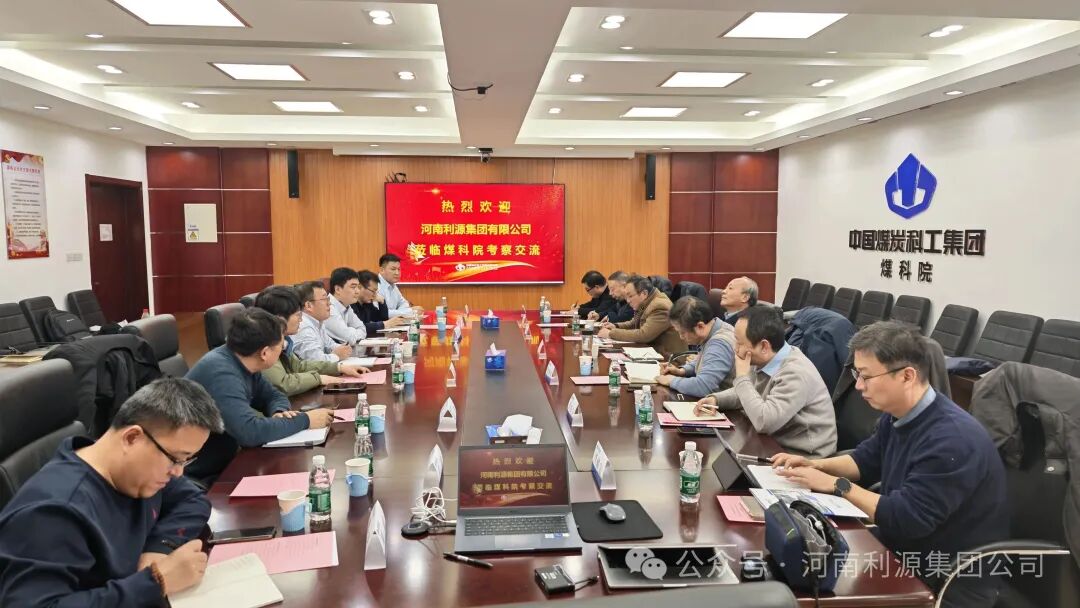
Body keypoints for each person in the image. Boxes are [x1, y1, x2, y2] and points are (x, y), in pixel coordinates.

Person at [771, 321, 1007, 607]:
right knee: (790, 568)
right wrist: (815, 465)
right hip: (899, 547)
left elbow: (909, 518)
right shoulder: (898, 414)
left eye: (866, 376)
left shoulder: (952, 439)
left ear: (907, 376)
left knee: (807, 592)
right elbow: (864, 460)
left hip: (944, 577)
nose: (858, 386)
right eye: (857, 374)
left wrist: (837, 485)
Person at [0, 379, 224, 605]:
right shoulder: (54, 513)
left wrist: (160, 548)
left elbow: (193, 500)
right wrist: (157, 581)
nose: (178, 472)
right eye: (175, 458)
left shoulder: (138, 472)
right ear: (131, 438)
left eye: (186, 460)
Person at [184, 308, 335, 480]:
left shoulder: (243, 360)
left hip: (229, 460)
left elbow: (274, 395)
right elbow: (249, 432)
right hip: (201, 475)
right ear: (265, 353)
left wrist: (279, 412)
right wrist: (305, 420)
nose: (283, 349)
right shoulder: (221, 374)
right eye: (281, 345)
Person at [695, 306, 836, 457]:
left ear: (764, 346)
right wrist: (716, 399)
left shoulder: (795, 373)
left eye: (740, 343)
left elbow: (764, 422)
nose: (735, 349)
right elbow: (747, 393)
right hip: (772, 443)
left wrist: (741, 377)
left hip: (803, 456)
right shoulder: (764, 358)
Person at [254, 285, 370, 396]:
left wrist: (338, 368)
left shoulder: (283, 339)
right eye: (298, 315)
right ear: (279, 319)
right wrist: (318, 378)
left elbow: (299, 366)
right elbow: (283, 384)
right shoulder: (264, 343)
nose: (301, 320)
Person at [657, 296, 736, 398]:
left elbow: (703, 387)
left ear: (700, 326)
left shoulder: (719, 344)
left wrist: (671, 381)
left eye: (683, 332)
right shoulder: (716, 327)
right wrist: (682, 371)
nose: (681, 337)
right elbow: (706, 360)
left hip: (723, 406)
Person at [598, 274, 686, 358]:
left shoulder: (660, 306)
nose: (628, 301)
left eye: (630, 296)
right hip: (654, 353)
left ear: (644, 293)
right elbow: (634, 322)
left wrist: (611, 333)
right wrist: (616, 326)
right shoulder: (648, 301)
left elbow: (644, 335)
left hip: (669, 359)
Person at [292, 280, 352, 363]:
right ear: (309, 305)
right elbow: (316, 361)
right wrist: (337, 355)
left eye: (328, 299)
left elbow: (330, 345)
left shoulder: (317, 322)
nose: (329, 303)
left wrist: (343, 349)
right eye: (324, 299)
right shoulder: (302, 326)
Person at [352, 269, 409, 335]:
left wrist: (382, 302)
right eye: (373, 291)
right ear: (359, 287)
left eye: (376, 291)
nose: (375, 295)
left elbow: (382, 318)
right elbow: (358, 327)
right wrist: (384, 324)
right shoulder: (351, 304)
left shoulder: (367, 304)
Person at [324, 266, 367, 347]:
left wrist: (350, 331)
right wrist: (352, 331)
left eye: (358, 287)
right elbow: (349, 339)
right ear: (338, 289)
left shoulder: (346, 305)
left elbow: (362, 329)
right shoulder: (328, 308)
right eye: (353, 287)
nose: (358, 291)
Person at [377, 253, 423, 319]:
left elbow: (404, 303)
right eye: (393, 269)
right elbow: (381, 313)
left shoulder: (393, 285)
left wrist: (401, 312)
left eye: (398, 269)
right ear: (382, 270)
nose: (397, 273)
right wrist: (408, 311)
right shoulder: (375, 285)